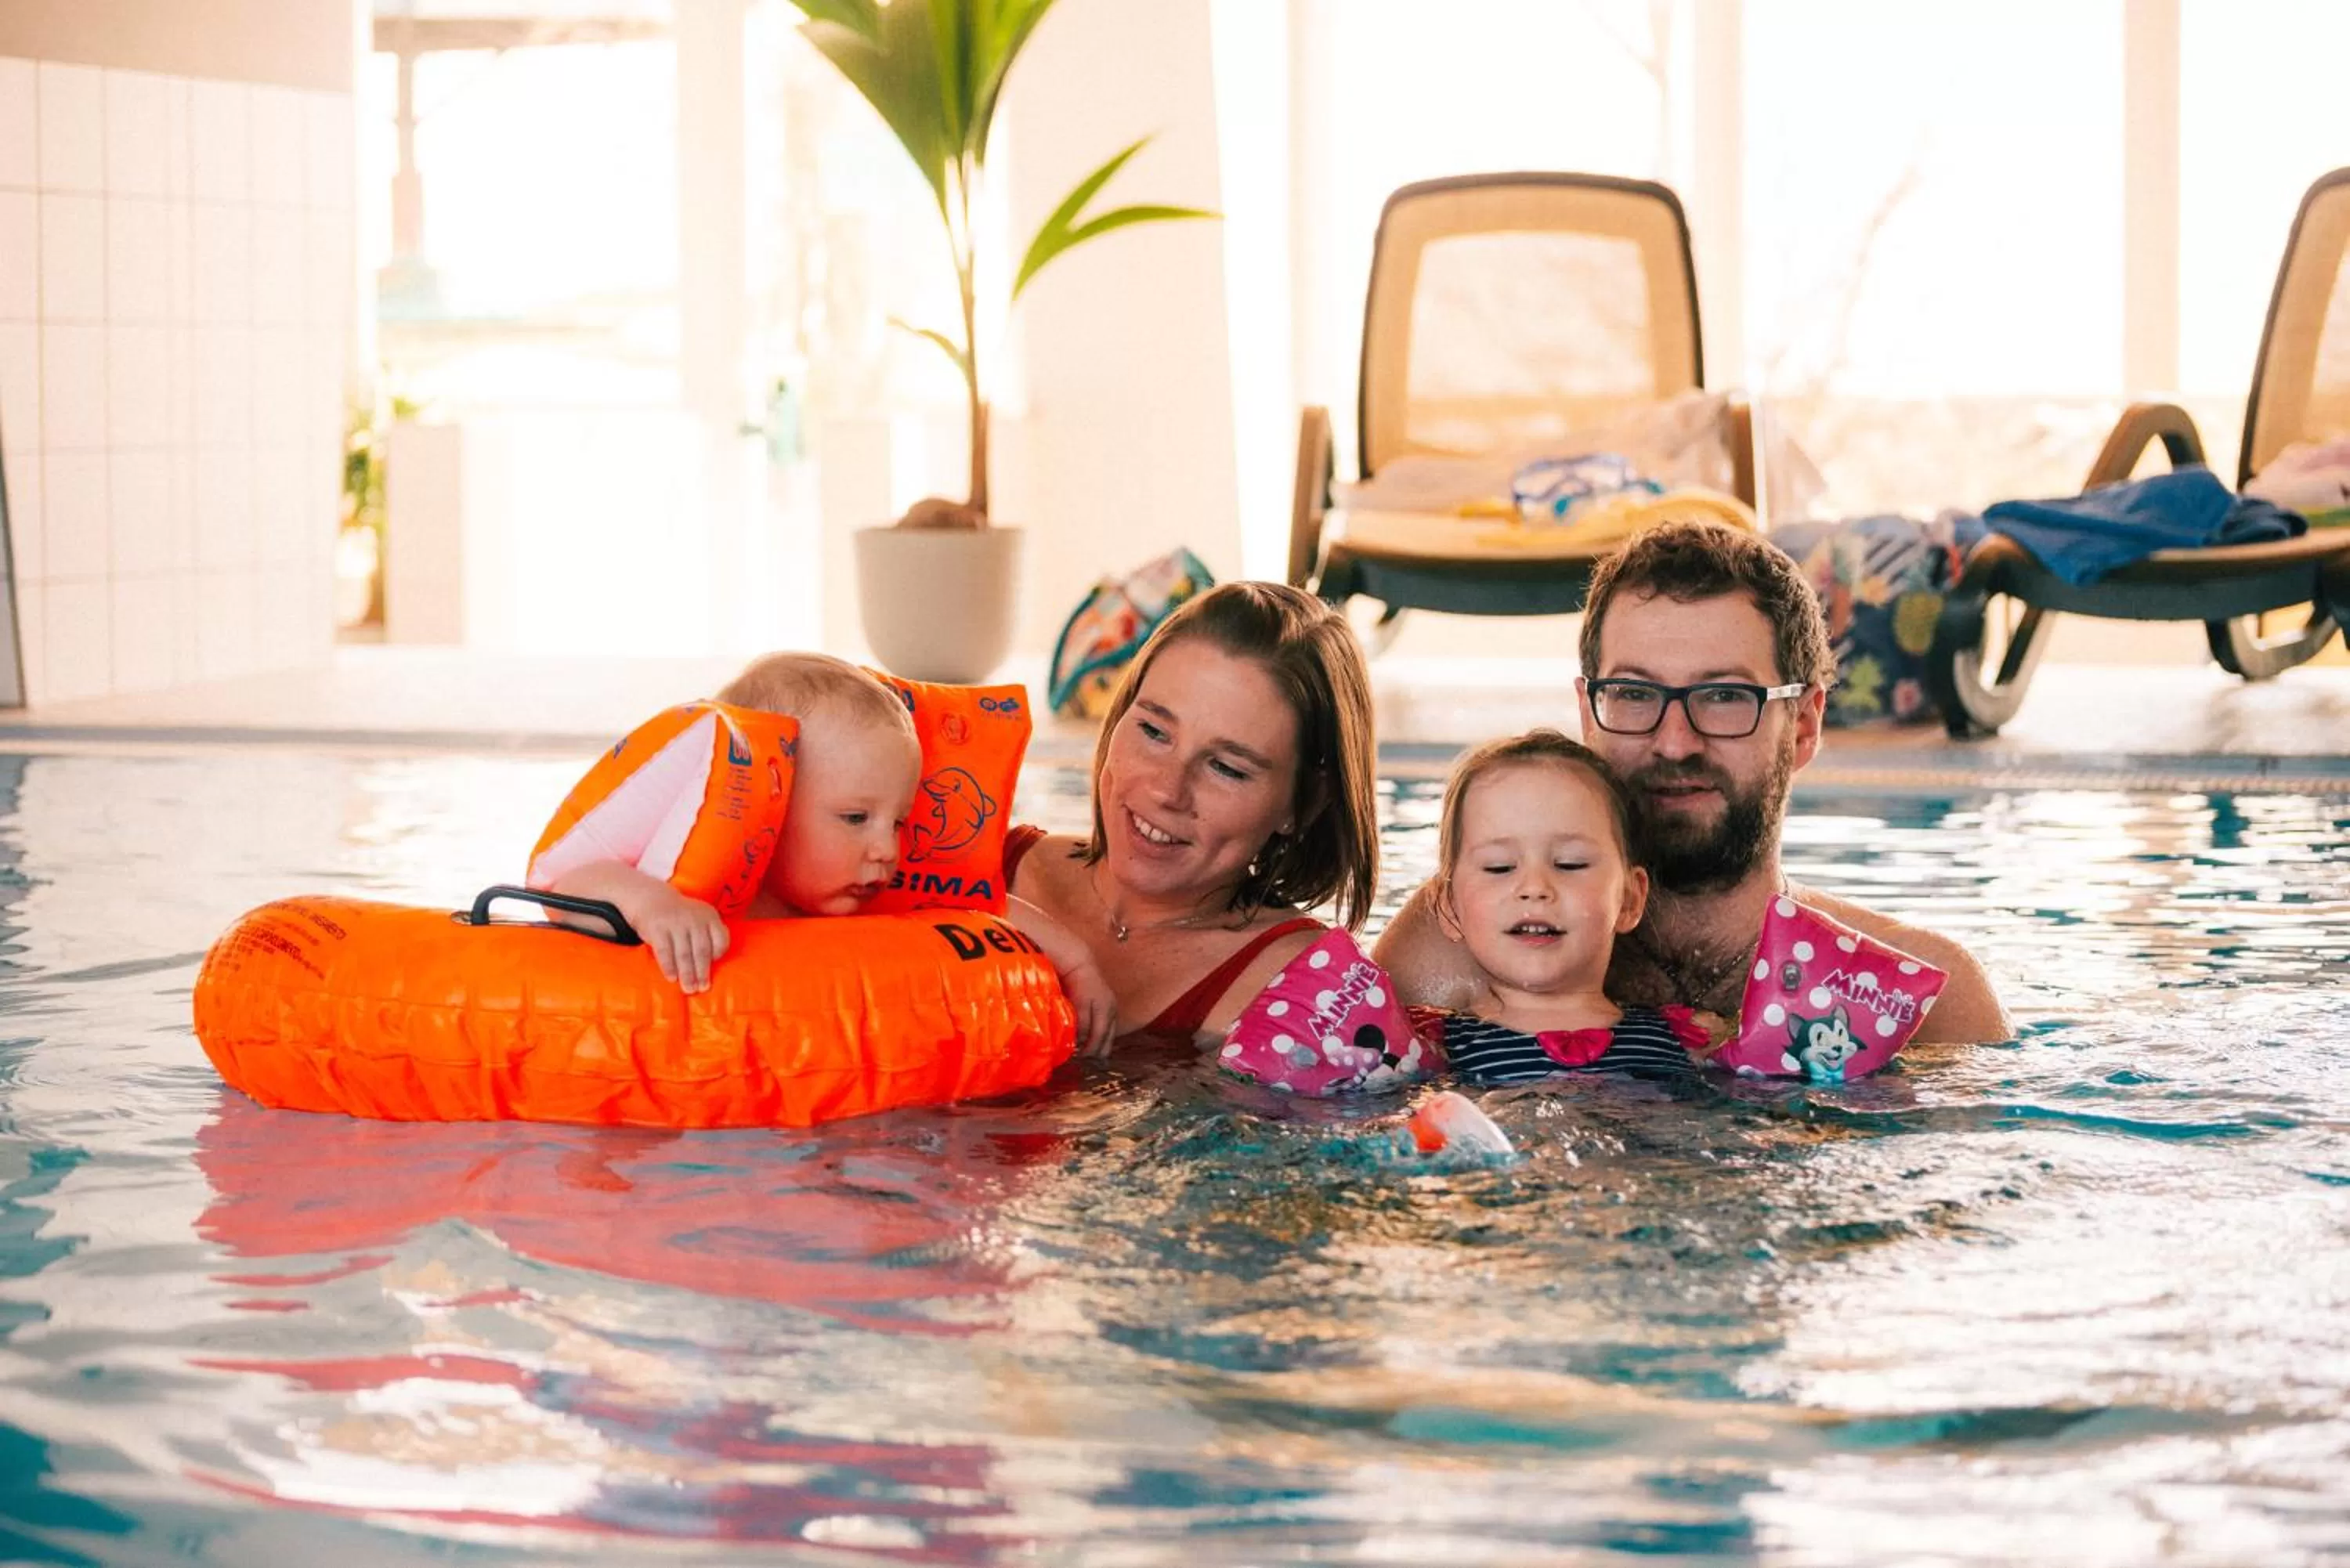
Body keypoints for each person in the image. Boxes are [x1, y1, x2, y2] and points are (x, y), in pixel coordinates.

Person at [1377, 520, 2009, 1046]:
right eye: (1634, 693)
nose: (1675, 742)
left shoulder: (1921, 1001)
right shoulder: (1453, 950)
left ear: (1804, 726)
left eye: (1725, 696)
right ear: (1588, 715)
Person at [549, 652, 1115, 1049]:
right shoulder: (692, 898)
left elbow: (987, 910)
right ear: (769, 809)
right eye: (855, 818)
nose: (886, 849)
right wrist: (653, 907)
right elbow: (564, 891)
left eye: (898, 822)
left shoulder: (867, 895)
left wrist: (1078, 964)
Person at [1001, 582, 1382, 1046]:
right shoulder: (986, 870)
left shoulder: (1307, 995)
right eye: (1153, 730)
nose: (1167, 789)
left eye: (1227, 768)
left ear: (1304, 804)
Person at [1408, 728, 1707, 1085]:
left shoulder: (1690, 1041)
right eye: (1499, 867)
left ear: (1629, 898)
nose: (1535, 888)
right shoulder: (1424, 1046)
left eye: (1570, 864)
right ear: (1449, 906)